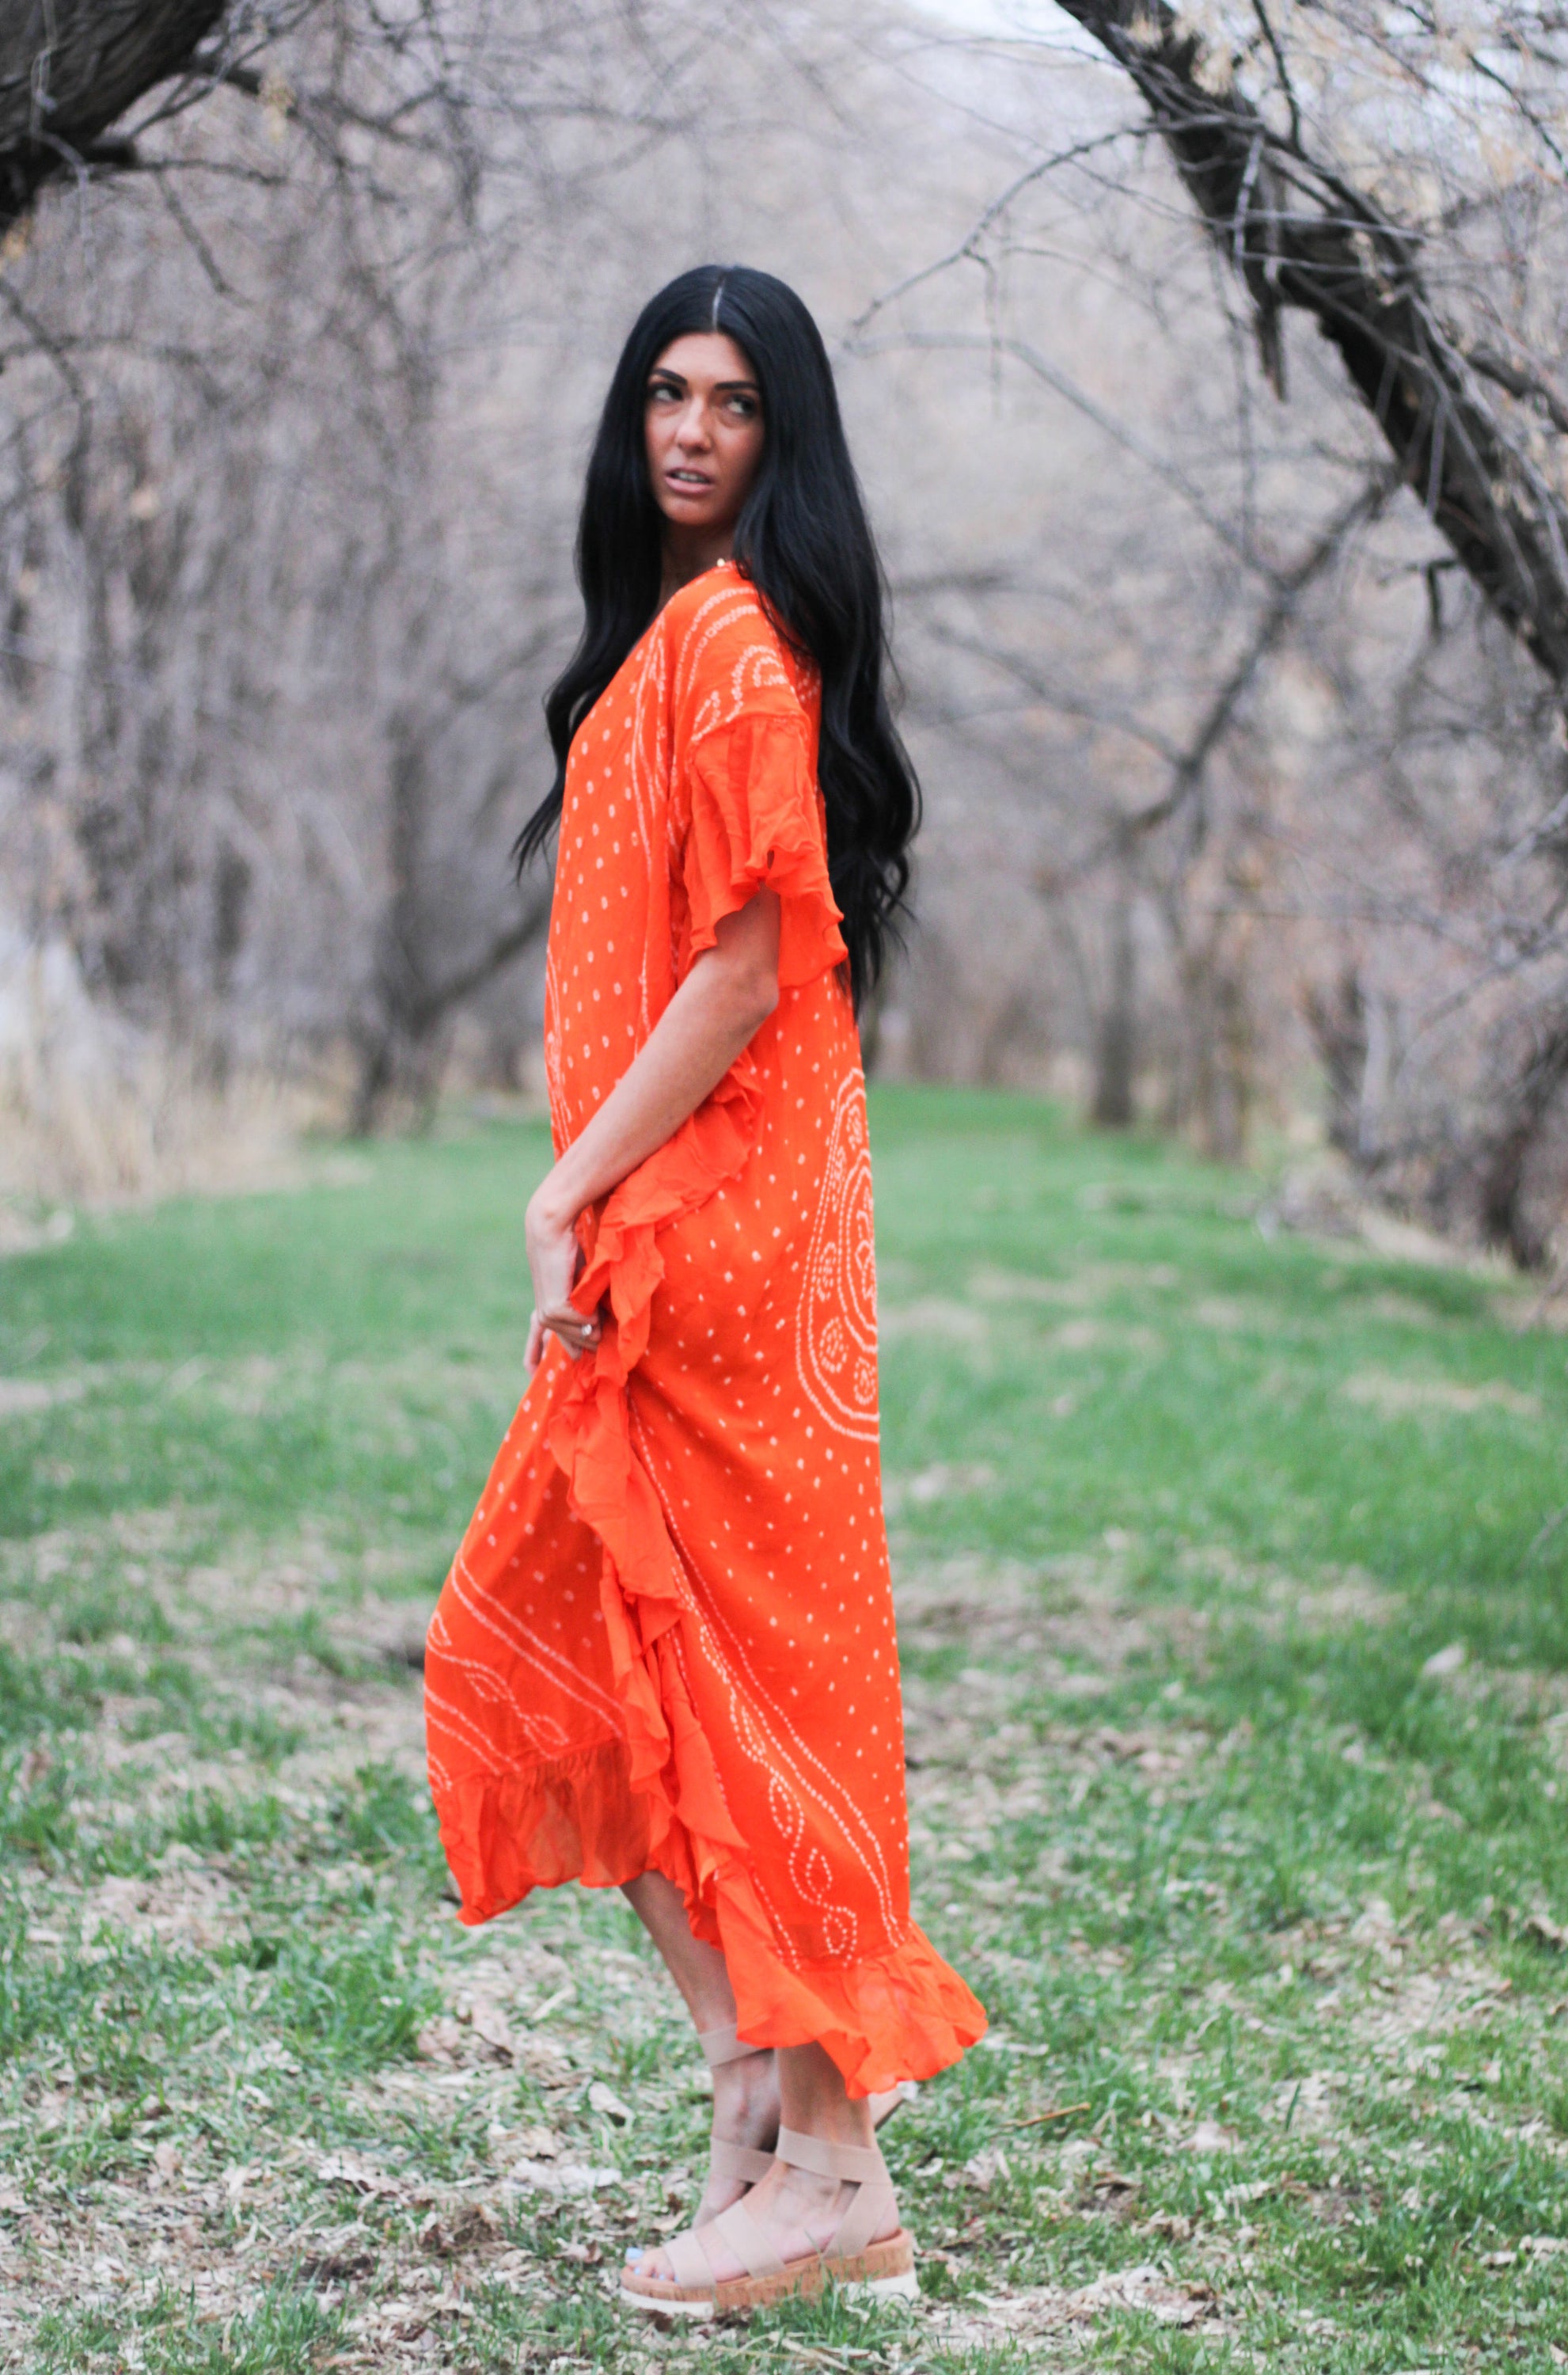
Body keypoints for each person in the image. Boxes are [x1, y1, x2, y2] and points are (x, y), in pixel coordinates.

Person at [423, 263, 985, 2320]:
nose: (688, 428)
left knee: (735, 1681)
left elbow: (750, 962)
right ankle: (768, 2083)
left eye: (735, 403)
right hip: (698, 1218)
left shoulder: (737, 645)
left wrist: (568, 1184)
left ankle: (826, 2155)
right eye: (663, 390)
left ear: (784, 438)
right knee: (600, 1649)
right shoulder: (676, 642)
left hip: (718, 1237)